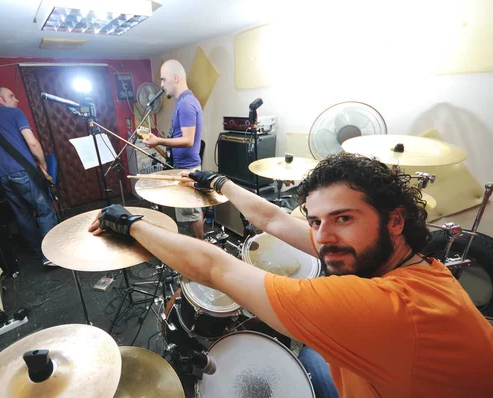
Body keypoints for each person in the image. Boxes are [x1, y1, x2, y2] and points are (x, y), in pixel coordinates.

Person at [89, 153, 493, 397]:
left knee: (314, 356)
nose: (324, 237)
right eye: (316, 221)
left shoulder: (379, 306)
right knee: (316, 356)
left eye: (344, 218)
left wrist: (132, 224)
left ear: (395, 221)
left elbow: (215, 266)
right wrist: (220, 183)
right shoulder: (418, 266)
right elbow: (272, 218)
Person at [0, 87, 58, 267]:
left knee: (22, 215)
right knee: (45, 210)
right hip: (22, 172)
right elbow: (31, 141)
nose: (16, 100)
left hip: (1, 176)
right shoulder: (15, 113)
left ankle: (37, 252)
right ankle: (51, 255)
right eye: (11, 96)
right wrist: (43, 163)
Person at [142, 59, 205, 239]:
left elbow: (187, 140)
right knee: (189, 213)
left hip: (187, 169)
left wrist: (159, 141)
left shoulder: (186, 104)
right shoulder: (184, 101)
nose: (161, 86)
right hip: (182, 167)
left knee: (191, 214)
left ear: (175, 78)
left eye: (163, 80)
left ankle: (200, 252)